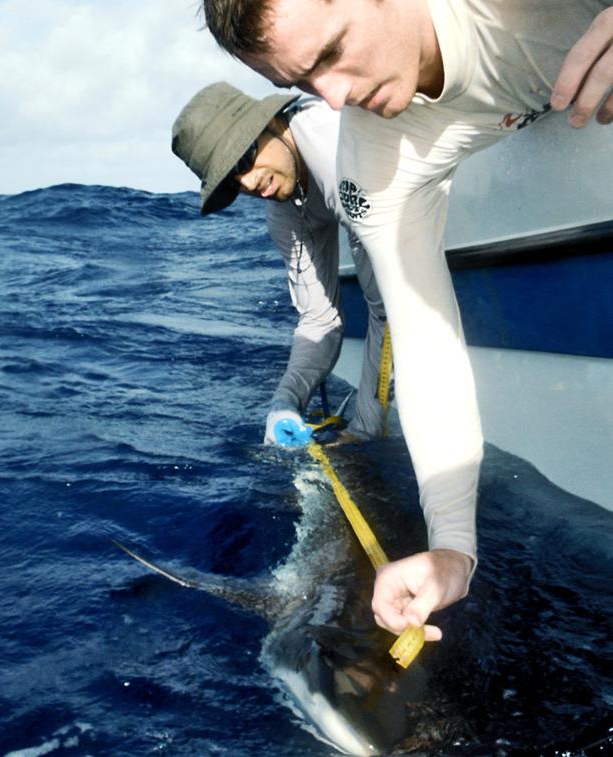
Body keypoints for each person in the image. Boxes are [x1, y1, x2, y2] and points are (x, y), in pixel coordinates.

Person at [200, 0, 613, 640]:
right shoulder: (370, 169)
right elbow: (424, 344)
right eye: (301, 84)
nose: (332, 100)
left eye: (332, 51)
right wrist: (453, 547)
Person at [172, 82, 391, 451]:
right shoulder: (281, 213)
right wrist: (284, 404)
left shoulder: (333, 146)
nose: (248, 182)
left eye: (243, 159)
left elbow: (390, 310)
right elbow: (320, 321)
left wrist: (365, 432)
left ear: (273, 121)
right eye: (232, 180)